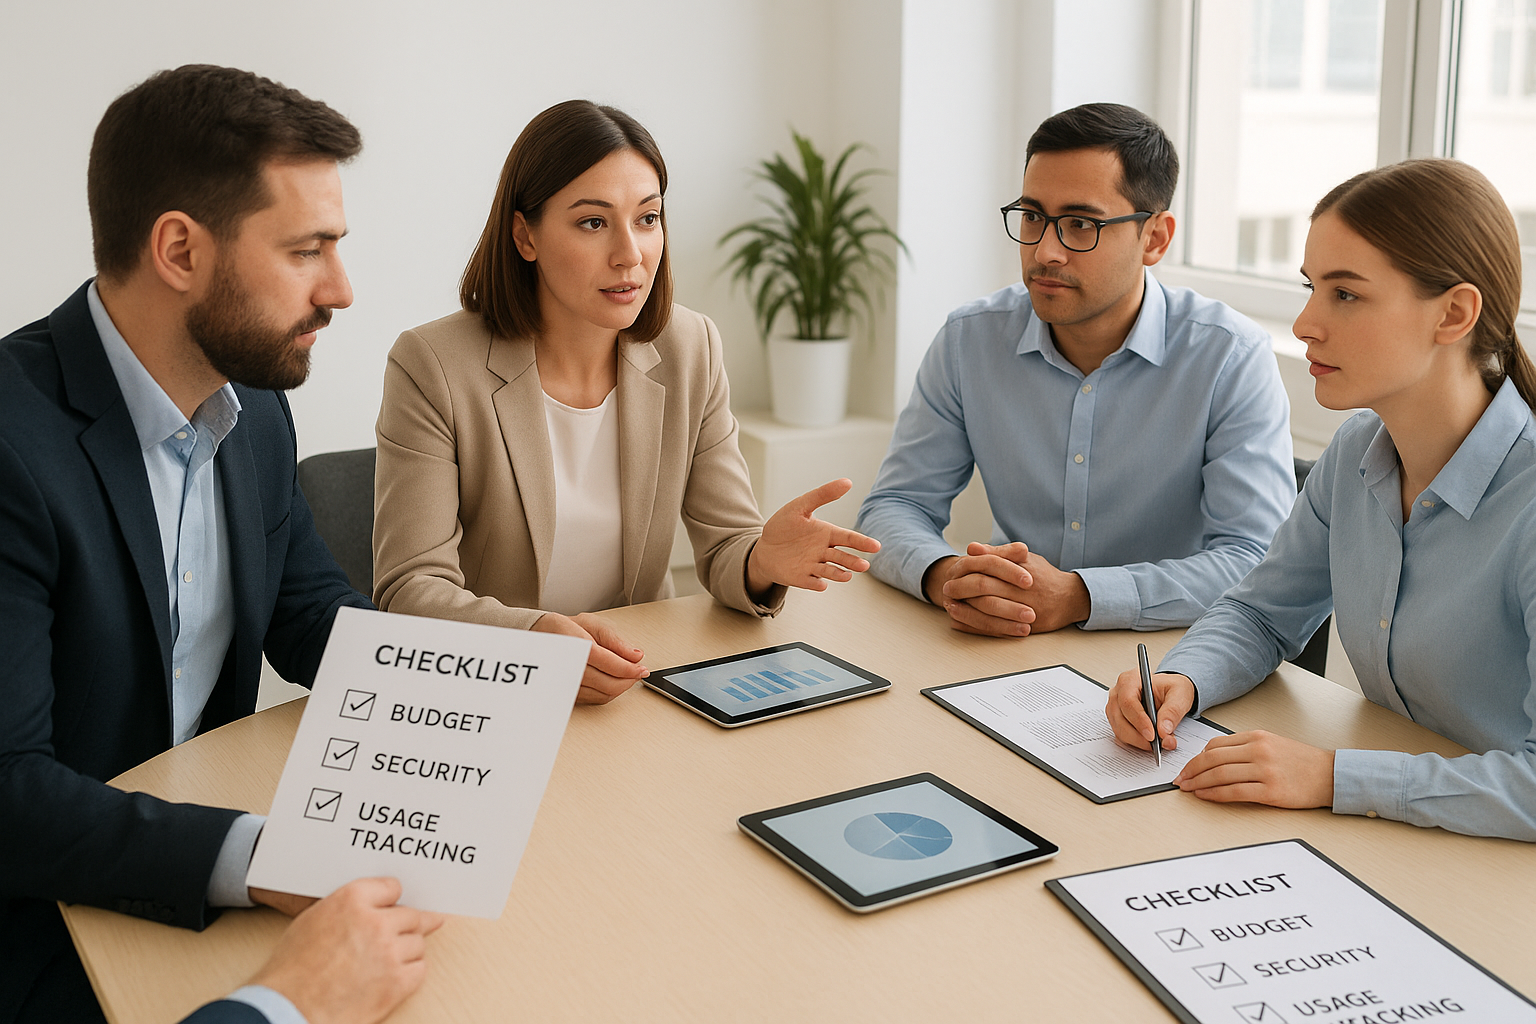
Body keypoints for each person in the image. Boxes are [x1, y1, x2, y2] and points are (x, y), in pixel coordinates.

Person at [0, 66, 429, 1024]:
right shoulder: (11, 448)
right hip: (45, 925)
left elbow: (310, 615)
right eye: (307, 250)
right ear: (180, 250)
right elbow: (9, 792)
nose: (342, 289)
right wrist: (267, 858)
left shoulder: (255, 410)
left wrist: (491, 686)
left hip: (190, 879)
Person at [373, 100, 879, 703]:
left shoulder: (691, 346)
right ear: (525, 235)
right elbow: (411, 588)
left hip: (633, 682)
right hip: (494, 691)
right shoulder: (432, 364)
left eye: (648, 218)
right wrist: (534, 638)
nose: (630, 254)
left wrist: (762, 561)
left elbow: (726, 544)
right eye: (593, 222)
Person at [1106, 158, 1536, 843]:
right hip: (1404, 837)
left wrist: (1334, 777)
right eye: (1311, 288)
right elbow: (1261, 613)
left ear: (1453, 313)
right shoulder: (1357, 450)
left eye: (1346, 295)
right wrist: (1183, 679)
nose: (1306, 323)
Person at [855, 103, 1294, 636]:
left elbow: (1255, 560)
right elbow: (895, 506)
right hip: (1010, 639)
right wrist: (951, 577)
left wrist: (1080, 597)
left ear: (1154, 238)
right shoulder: (970, 339)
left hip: (1167, 656)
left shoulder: (1229, 356)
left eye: (1081, 224)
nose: (1045, 252)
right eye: (1033, 217)